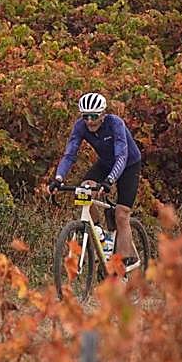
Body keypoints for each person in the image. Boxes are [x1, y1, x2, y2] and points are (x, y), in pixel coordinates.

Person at [47, 92, 142, 272]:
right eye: (85, 116)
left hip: (128, 164)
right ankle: (100, 233)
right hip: (105, 163)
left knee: (121, 214)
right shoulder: (80, 126)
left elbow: (121, 156)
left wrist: (109, 181)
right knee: (83, 190)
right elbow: (70, 154)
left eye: (94, 116)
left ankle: (123, 264)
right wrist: (58, 178)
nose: (89, 121)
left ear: (103, 114)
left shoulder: (115, 124)